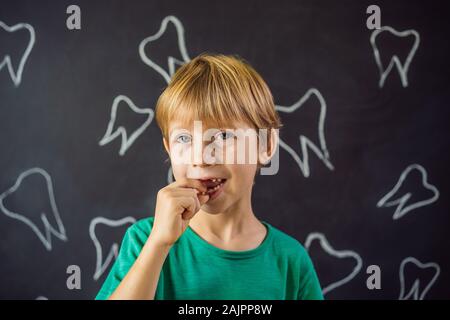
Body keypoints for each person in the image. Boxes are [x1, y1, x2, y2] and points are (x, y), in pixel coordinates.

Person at [96, 53, 323, 300]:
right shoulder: (145, 241)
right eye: (184, 138)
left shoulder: (291, 262)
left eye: (223, 137)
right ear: (169, 148)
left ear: (266, 145)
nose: (201, 157)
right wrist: (158, 245)